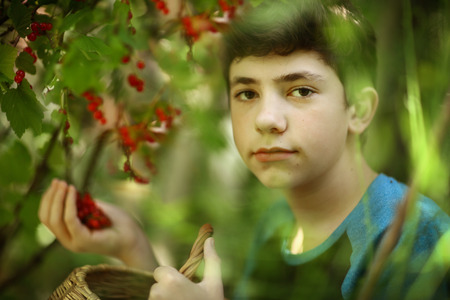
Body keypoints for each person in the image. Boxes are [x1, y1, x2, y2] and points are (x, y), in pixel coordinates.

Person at [39, 0, 449, 299]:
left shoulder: (407, 239)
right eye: (247, 92)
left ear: (358, 110)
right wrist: (132, 243)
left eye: (301, 90)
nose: (266, 119)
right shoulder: (278, 226)